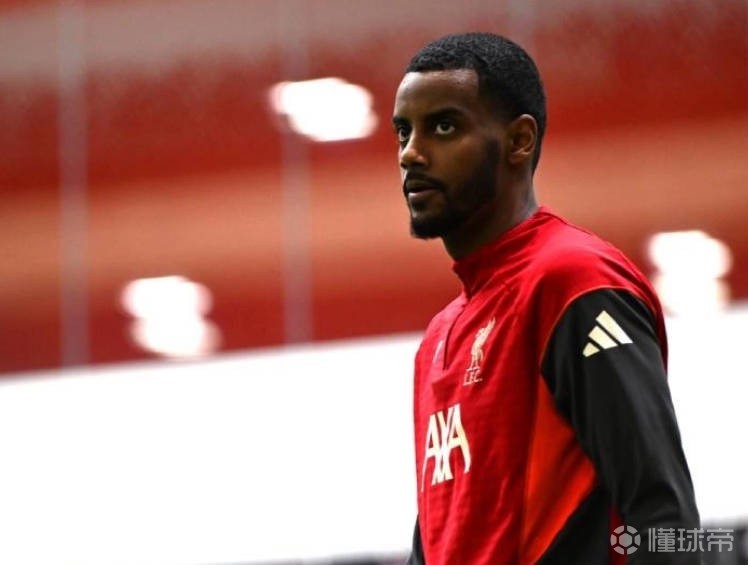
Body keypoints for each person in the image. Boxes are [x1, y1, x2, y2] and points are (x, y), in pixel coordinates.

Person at [392, 32, 700, 564]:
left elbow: (662, 513)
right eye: (404, 131)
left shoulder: (576, 282)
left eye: (443, 127)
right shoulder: (438, 338)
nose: (411, 153)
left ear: (519, 140)